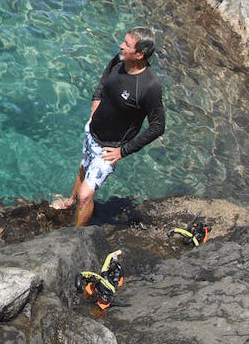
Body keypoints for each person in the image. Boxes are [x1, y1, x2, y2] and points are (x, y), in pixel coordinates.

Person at [51, 27, 166, 226]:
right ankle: (70, 202)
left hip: (109, 148)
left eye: (127, 45)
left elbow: (158, 126)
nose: (121, 46)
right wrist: (95, 106)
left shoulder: (149, 86)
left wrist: (123, 151)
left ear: (139, 54)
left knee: (86, 195)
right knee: (82, 169)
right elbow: (103, 84)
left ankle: (75, 236)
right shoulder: (119, 60)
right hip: (92, 132)